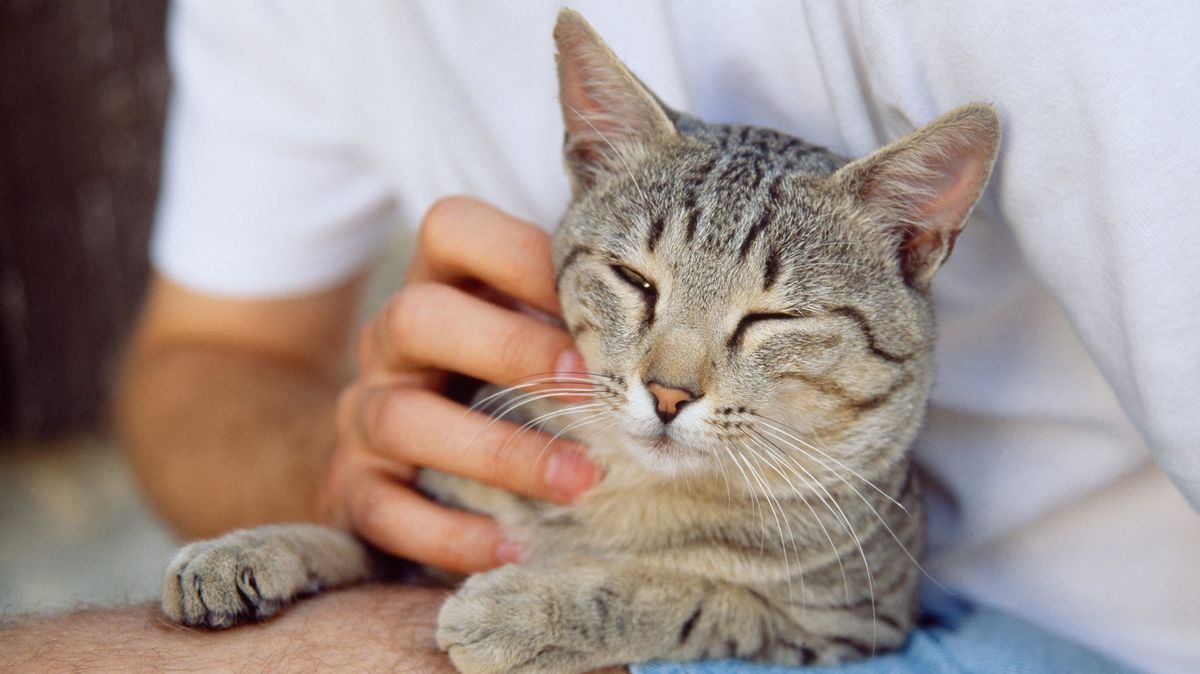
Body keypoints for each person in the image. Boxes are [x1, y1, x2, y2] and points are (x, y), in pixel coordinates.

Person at [3, 2, 1197, 672]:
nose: (671, 377)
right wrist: (352, 494)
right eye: (631, 281)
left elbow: (838, 625)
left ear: (909, 250)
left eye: (766, 321)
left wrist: (608, 613)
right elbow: (212, 355)